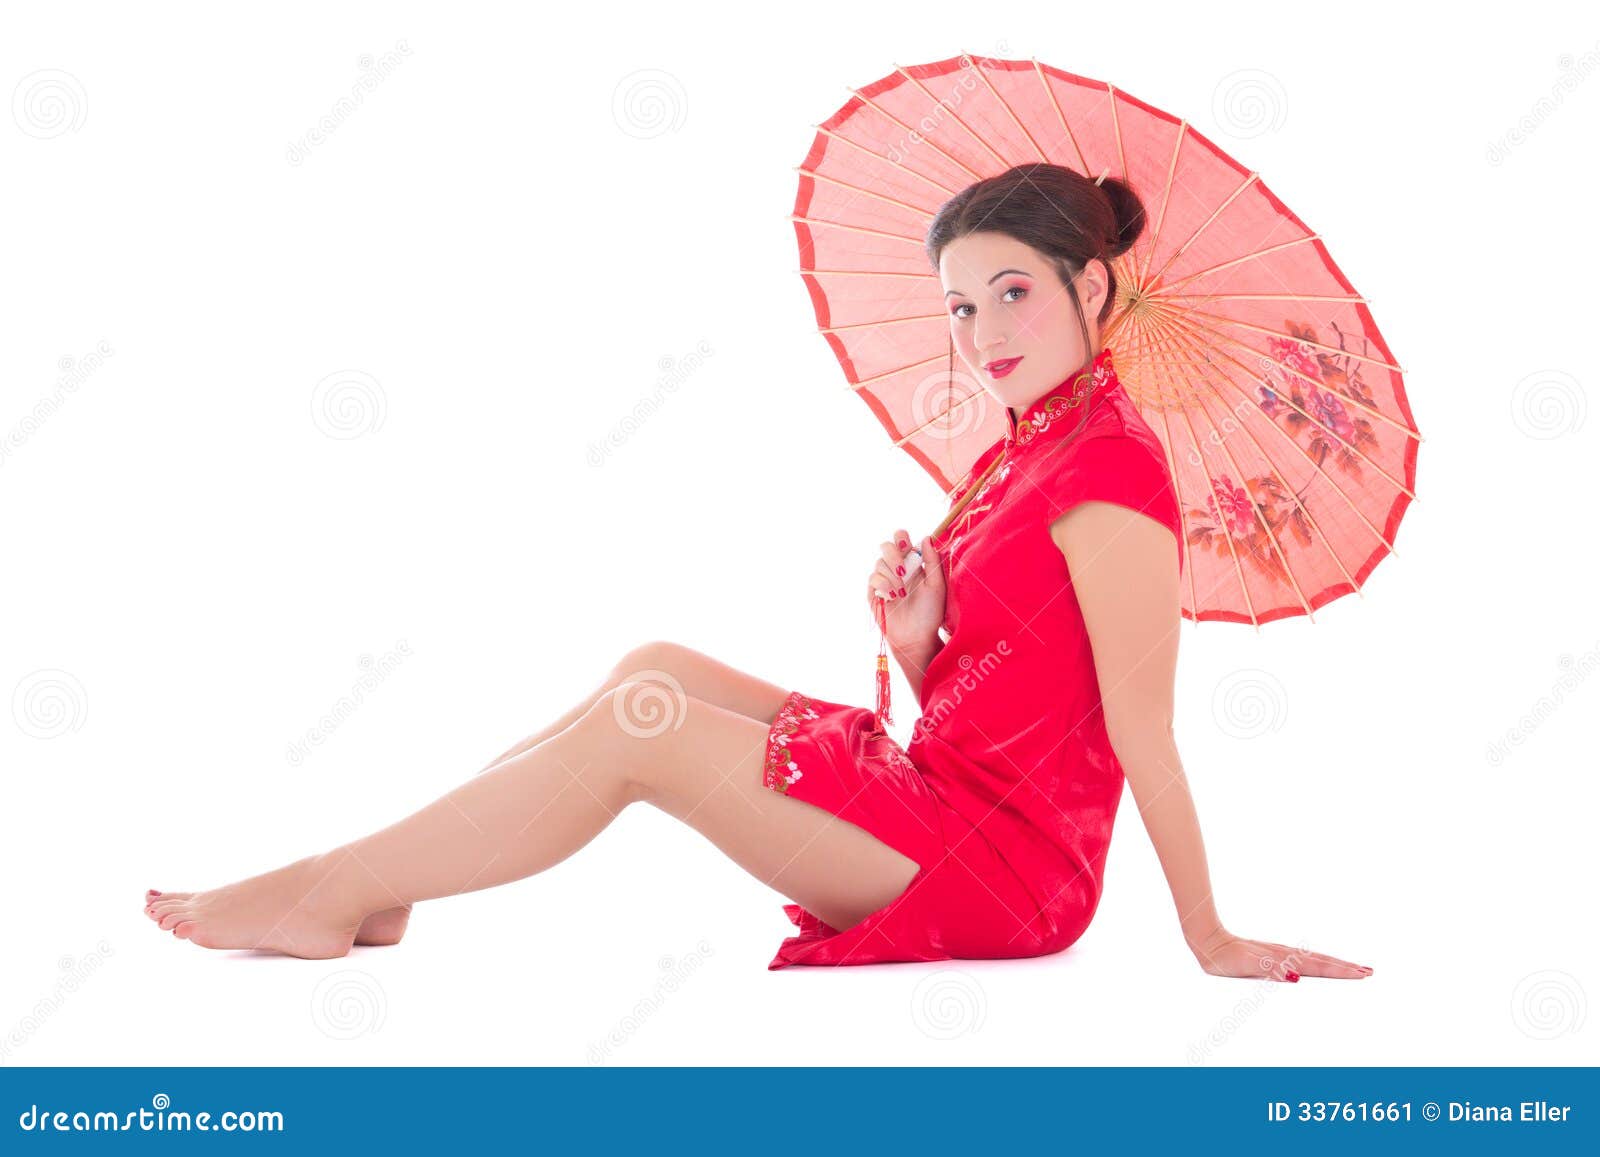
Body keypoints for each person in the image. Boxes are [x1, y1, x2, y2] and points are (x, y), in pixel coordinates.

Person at [145, 162, 1372, 983]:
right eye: (958, 306)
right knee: (655, 665)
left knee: (643, 724)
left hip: (1006, 869)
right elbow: (998, 685)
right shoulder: (1025, 448)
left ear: (1089, 284)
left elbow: (1139, 731)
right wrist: (915, 639)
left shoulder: (1108, 470)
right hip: (946, 789)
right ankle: (379, 877)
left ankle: (333, 883)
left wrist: (1208, 936)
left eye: (1012, 293)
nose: (984, 333)